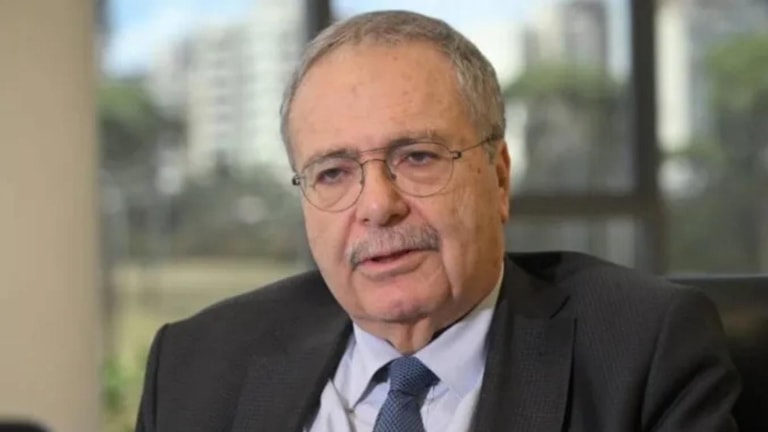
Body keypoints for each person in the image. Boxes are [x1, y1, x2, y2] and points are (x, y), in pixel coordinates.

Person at [135, 10, 740, 432]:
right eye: (333, 172)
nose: (378, 206)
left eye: (418, 158)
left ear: (498, 178)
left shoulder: (643, 349)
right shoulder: (196, 366)